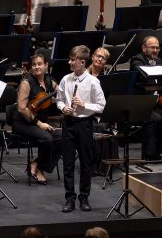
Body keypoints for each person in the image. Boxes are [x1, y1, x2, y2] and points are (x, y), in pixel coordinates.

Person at [57, 45, 105, 213]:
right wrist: (63, 108)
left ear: (82, 62)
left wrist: (85, 105)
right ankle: (69, 198)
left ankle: (84, 197)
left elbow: (101, 106)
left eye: (73, 60)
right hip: (69, 124)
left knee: (86, 163)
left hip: (84, 125)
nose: (70, 62)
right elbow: (59, 99)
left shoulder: (93, 82)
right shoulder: (65, 79)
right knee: (68, 163)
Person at [11, 51, 62, 185]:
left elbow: (62, 92)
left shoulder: (50, 81)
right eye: (34, 64)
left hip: (40, 121)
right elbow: (22, 108)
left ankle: (36, 163)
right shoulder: (26, 82)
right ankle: (40, 170)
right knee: (47, 138)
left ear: (46, 65)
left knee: (63, 136)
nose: (36, 67)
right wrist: (39, 123)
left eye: (40, 64)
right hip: (23, 122)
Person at [130, 35, 162, 161]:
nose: (155, 50)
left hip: (155, 105)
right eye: (152, 48)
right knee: (155, 119)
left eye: (157, 48)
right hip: (141, 105)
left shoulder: (159, 61)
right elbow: (143, 73)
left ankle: (160, 151)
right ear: (144, 48)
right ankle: (149, 155)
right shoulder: (137, 60)